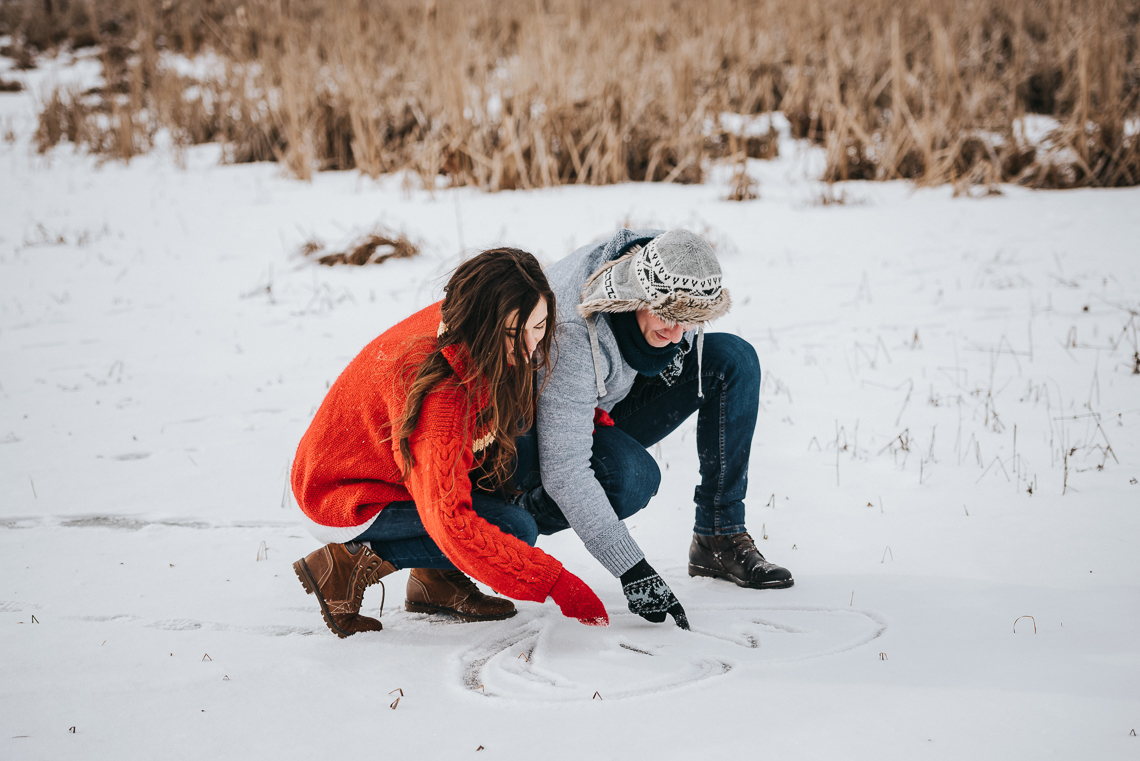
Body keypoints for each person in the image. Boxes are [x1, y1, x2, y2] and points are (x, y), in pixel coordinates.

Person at [290, 247, 609, 638]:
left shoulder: (474, 324)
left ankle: (435, 581)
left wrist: (581, 415)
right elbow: (451, 522)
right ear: (483, 323)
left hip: (401, 468)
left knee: (524, 461)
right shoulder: (441, 394)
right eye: (514, 334)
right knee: (512, 528)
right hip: (347, 492)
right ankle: (344, 565)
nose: (530, 347)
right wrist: (555, 583)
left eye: (539, 326)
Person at [522, 228, 793, 630]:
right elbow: (565, 469)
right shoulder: (574, 332)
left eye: (690, 321)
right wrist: (631, 567)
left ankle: (718, 537)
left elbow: (681, 321)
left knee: (734, 359)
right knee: (632, 477)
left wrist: (674, 349)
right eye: (667, 315)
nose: (676, 333)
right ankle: (513, 517)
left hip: (610, 395)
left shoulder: (673, 267)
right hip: (536, 430)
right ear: (635, 294)